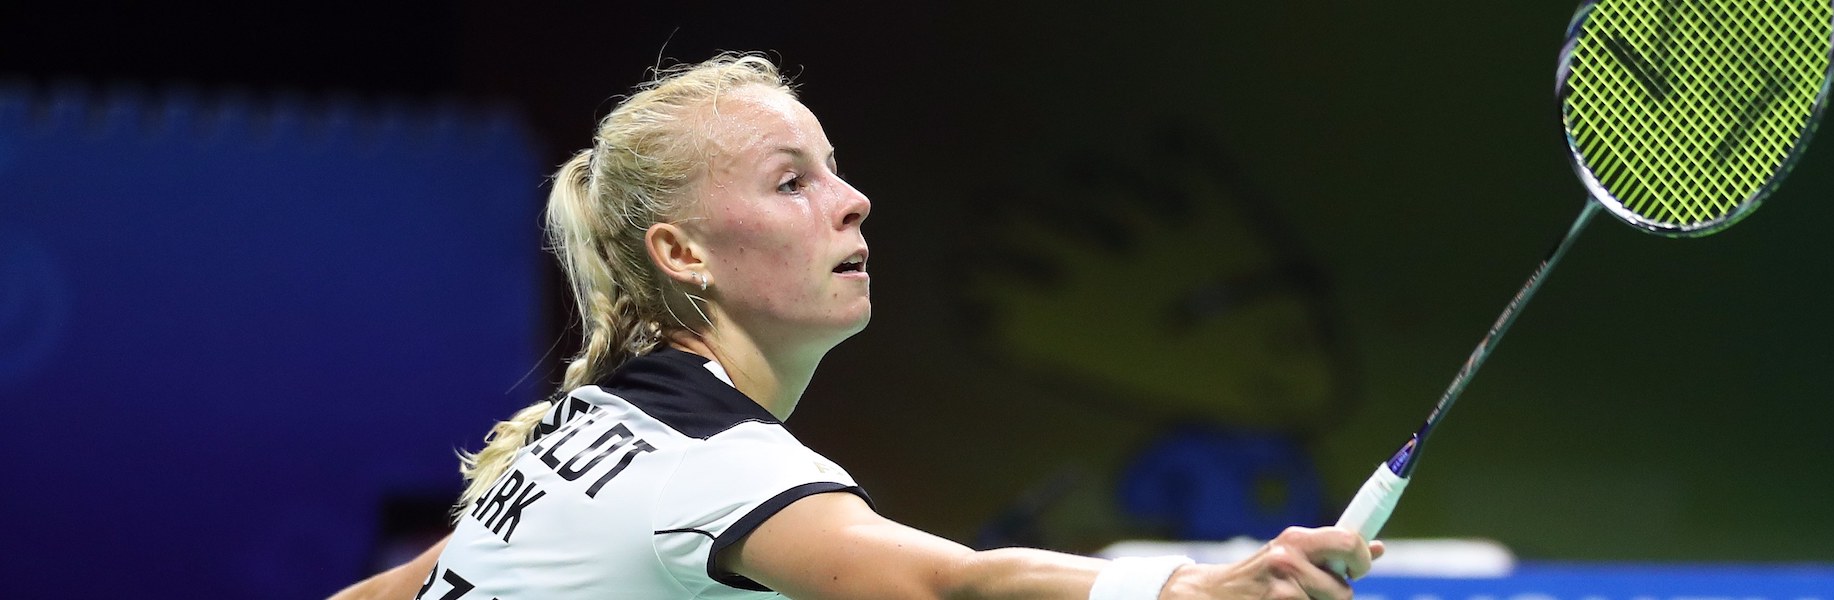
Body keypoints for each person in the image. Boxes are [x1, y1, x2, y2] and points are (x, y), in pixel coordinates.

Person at [332, 52, 1383, 600]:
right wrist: (1185, 589)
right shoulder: (710, 467)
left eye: (833, 169)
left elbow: (398, 590)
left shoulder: (589, 430)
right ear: (682, 254)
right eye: (792, 182)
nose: (853, 201)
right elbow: (948, 582)